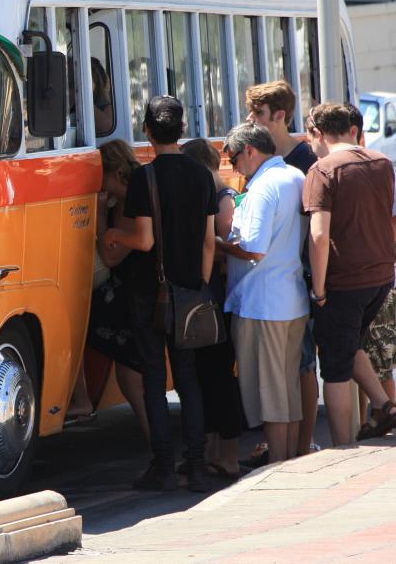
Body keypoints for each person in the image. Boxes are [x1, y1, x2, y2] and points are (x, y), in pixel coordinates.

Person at [103, 95, 216, 493]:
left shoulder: (144, 178)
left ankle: (164, 467)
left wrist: (115, 233)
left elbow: (145, 241)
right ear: (181, 129)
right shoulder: (201, 175)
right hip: (189, 292)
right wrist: (199, 287)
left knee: (153, 377)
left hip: (150, 293)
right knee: (189, 378)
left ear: (147, 131)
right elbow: (207, 242)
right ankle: (199, 466)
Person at [303, 102, 396, 445]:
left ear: (318, 132)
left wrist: (318, 290)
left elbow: (319, 236)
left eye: (309, 134)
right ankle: (383, 405)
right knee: (351, 345)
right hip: (381, 278)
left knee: (334, 369)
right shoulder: (381, 162)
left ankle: (341, 448)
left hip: (344, 282)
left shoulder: (322, 170)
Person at [221, 123, 308, 465]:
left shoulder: (261, 188)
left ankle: (278, 466)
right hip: (292, 297)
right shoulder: (294, 176)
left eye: (232, 157)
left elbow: (253, 248)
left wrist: (218, 245)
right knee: (287, 389)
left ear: (250, 151)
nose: (232, 167)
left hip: (264, 303)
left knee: (270, 393)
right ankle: (288, 461)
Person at [245, 80, 319, 459]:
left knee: (303, 364)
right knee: (286, 369)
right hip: (279, 278)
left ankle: (304, 444)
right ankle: (283, 443)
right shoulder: (264, 158)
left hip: (300, 276)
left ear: (280, 116)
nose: (250, 119)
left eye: (257, 114)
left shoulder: (305, 161)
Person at [181, 138, 244, 479]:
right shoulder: (212, 197)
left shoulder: (224, 200)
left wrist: (209, 245)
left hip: (219, 299)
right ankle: (209, 452)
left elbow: (231, 246)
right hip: (213, 297)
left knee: (219, 378)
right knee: (206, 377)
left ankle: (229, 456)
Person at [80, 139, 148, 439]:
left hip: (133, 291)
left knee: (131, 374)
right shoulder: (130, 196)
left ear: (113, 174)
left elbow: (110, 256)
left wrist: (99, 215)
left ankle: (154, 438)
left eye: (101, 178)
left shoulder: (129, 205)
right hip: (129, 289)